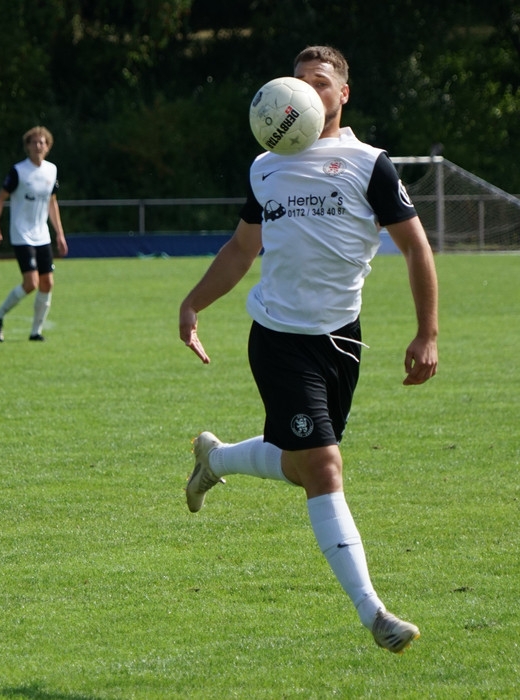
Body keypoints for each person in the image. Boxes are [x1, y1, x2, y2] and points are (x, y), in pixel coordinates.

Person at [178, 45, 438, 654]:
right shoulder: (266, 166)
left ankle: (213, 460)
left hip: (342, 341)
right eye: (298, 82)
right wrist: (193, 303)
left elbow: (417, 248)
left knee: (298, 464)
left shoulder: (369, 164)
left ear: (343, 94)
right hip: (277, 338)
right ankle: (375, 614)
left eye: (321, 83)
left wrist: (427, 333)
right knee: (323, 467)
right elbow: (243, 249)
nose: (307, 92)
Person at [0, 125, 68, 342]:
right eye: (34, 142)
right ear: (27, 147)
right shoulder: (18, 171)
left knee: (47, 283)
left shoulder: (52, 171)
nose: (38, 146)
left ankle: (35, 332)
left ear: (48, 146)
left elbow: (52, 203)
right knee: (31, 283)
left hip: (42, 234)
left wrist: (59, 234)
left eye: (42, 142)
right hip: (21, 233)